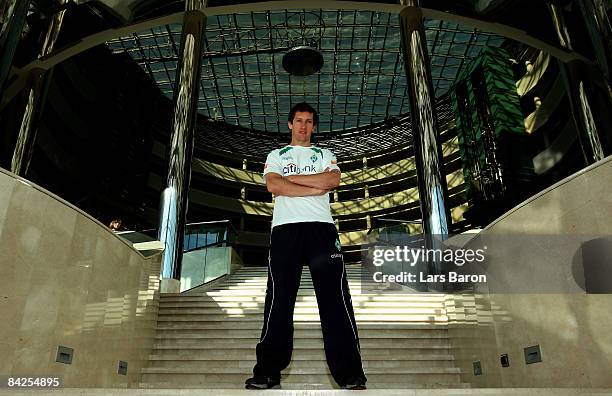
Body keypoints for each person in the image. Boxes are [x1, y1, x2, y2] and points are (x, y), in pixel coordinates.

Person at [245, 103, 367, 390]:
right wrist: (314, 187)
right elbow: (274, 186)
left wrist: (292, 181)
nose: (303, 126)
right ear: (290, 124)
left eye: (309, 122)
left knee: (336, 300)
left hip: (321, 229)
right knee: (278, 300)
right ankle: (267, 372)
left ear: (313, 126)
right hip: (285, 231)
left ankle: (349, 373)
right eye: (298, 121)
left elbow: (332, 179)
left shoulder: (325, 154)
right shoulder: (276, 155)